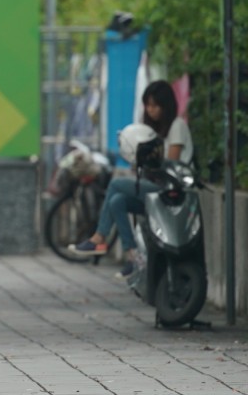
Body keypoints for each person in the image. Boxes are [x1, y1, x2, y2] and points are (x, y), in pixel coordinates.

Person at [69, 79, 194, 279]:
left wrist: (150, 159)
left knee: (117, 184)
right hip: (157, 187)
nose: (150, 110)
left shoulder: (176, 125)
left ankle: (99, 237)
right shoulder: (156, 130)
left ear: (166, 105)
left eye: (155, 105)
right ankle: (134, 256)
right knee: (118, 201)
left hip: (173, 190)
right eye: (148, 105)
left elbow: (171, 162)